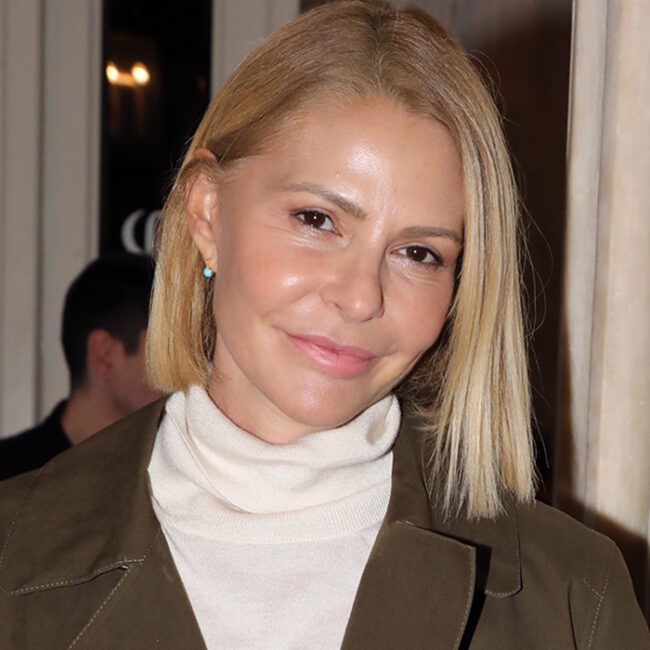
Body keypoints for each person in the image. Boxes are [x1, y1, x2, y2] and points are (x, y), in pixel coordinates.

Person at [0, 2, 648, 648]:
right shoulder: (13, 552)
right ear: (206, 212)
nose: (360, 297)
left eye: (418, 253)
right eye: (316, 220)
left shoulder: (571, 597)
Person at [0, 254, 162, 480]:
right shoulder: (10, 479)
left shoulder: (174, 480)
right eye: (164, 349)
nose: (184, 371)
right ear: (105, 354)